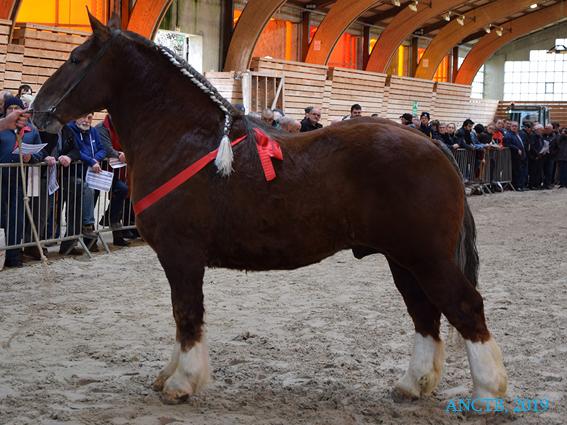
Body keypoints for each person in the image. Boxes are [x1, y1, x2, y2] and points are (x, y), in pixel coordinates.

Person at [0, 97, 44, 267]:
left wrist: (30, 157)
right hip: (1, 177)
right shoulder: (2, 128)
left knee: (16, 219)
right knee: (2, 218)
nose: (13, 111)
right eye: (9, 107)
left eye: (16, 107)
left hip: (19, 180)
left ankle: (14, 256)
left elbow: (41, 152)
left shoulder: (31, 130)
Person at [69, 113, 106, 251]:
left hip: (92, 175)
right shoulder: (70, 129)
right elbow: (76, 151)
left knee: (89, 205)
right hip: (73, 175)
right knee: (77, 208)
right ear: (75, 117)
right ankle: (88, 227)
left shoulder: (93, 131)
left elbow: (102, 149)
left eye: (89, 117)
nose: (86, 120)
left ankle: (90, 241)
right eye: (83, 116)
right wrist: (91, 161)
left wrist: (95, 159)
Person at [96, 114, 132, 246]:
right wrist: (119, 154)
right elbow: (106, 148)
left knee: (123, 190)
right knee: (92, 201)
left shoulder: (121, 128)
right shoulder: (101, 128)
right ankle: (89, 239)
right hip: (99, 171)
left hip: (116, 170)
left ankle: (116, 231)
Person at [504, 121, 526, 190]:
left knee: (520, 171)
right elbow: (508, 144)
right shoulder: (508, 135)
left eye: (516, 126)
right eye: (513, 126)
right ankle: (517, 186)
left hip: (521, 156)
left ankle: (520, 185)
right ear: (510, 127)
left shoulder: (517, 134)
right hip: (514, 156)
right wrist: (517, 149)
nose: (514, 127)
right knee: (516, 171)